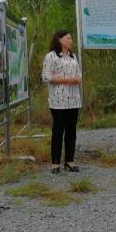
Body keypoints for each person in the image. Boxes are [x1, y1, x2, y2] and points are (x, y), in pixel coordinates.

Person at [41, 30, 82, 174]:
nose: (71, 41)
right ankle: (55, 163)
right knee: (58, 131)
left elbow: (79, 74)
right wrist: (66, 80)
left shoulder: (73, 56)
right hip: (58, 101)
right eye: (68, 38)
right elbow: (45, 77)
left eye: (71, 38)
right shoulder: (51, 56)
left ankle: (69, 161)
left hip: (74, 100)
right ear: (59, 39)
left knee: (71, 131)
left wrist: (77, 79)